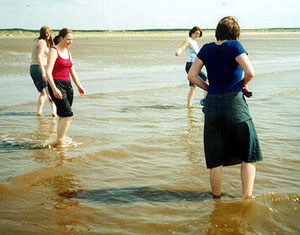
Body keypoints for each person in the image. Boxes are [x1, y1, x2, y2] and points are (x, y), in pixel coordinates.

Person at [188, 16, 263, 198]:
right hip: (234, 103)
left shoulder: (206, 48)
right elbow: (250, 72)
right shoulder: (235, 46)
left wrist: (209, 88)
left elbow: (192, 75)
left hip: (212, 105)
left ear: (218, 31)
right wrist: (243, 84)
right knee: (249, 153)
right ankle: (246, 198)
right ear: (235, 33)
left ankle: (217, 199)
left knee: (215, 159)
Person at [46, 28, 86, 146]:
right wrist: (54, 88)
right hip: (57, 84)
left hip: (68, 85)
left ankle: (58, 139)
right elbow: (48, 72)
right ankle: (60, 141)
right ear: (61, 38)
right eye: (68, 39)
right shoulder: (54, 51)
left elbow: (72, 71)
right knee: (68, 114)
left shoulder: (68, 52)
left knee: (64, 116)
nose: (70, 42)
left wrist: (79, 86)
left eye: (71, 39)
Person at [175, 26, 207, 107]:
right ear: (192, 33)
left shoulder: (194, 42)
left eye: (199, 34)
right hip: (191, 65)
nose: (197, 35)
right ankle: (206, 100)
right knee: (205, 79)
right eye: (196, 33)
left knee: (193, 87)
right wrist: (178, 52)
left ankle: (189, 106)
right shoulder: (188, 40)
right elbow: (182, 47)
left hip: (195, 65)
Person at [30, 26, 57, 117]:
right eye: (46, 33)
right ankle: (54, 111)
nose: (48, 34)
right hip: (40, 67)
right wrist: (44, 71)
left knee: (43, 92)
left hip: (33, 68)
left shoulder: (37, 41)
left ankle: (39, 112)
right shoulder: (42, 42)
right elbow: (39, 57)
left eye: (49, 32)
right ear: (42, 33)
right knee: (49, 90)